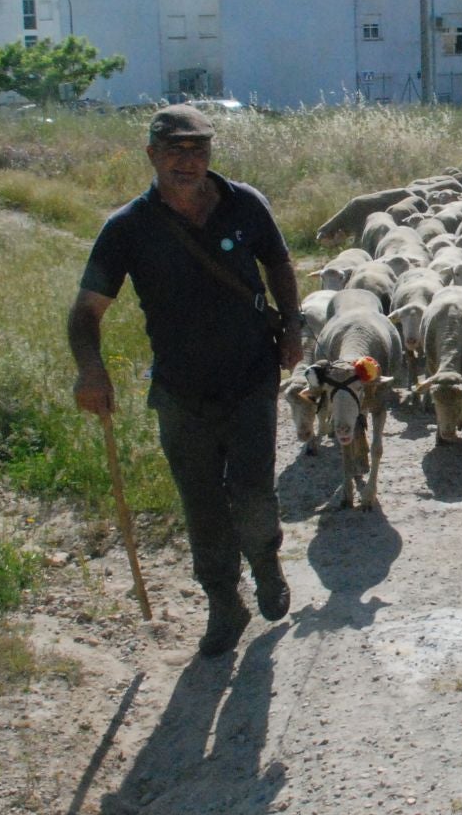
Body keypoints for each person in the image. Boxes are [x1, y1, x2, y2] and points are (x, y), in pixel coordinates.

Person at [68, 106, 303, 658]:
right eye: (175, 149)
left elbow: (279, 264)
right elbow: (86, 311)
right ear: (152, 154)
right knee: (201, 503)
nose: (187, 161)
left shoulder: (245, 204)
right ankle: (223, 602)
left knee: (252, 490)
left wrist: (292, 324)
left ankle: (265, 563)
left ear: (210, 154)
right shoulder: (128, 228)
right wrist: (90, 368)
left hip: (251, 375)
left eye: (198, 149)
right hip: (180, 389)